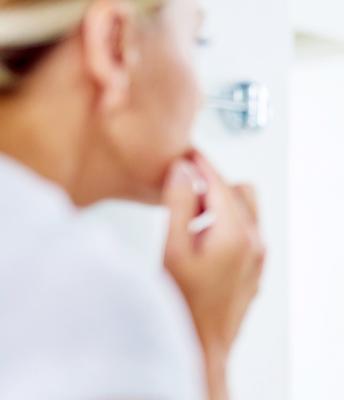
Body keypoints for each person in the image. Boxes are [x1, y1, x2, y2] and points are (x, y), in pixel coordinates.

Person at [0, 0, 265, 399]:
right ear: (114, 44)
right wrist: (204, 347)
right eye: (197, 41)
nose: (199, 99)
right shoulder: (89, 309)